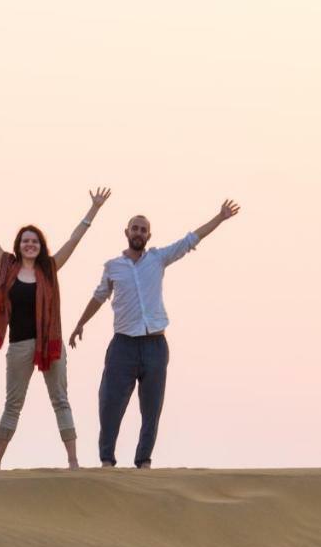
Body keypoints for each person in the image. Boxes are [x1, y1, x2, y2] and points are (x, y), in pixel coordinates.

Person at [69, 200, 241, 468]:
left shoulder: (158, 259)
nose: (138, 233)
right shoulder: (113, 266)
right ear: (126, 232)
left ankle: (144, 461)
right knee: (110, 403)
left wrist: (219, 217)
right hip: (123, 345)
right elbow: (99, 297)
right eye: (134, 228)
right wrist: (81, 323)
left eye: (143, 230)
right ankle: (106, 460)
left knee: (151, 408)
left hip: (155, 345)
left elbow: (190, 240)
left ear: (149, 236)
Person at [0, 176, 111, 470]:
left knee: (60, 400)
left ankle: (73, 461)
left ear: (41, 246)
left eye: (35, 241)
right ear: (19, 245)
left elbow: (73, 240)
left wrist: (93, 210)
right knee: (13, 404)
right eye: (25, 241)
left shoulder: (50, 268)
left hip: (50, 345)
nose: (30, 244)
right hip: (19, 346)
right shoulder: (8, 266)